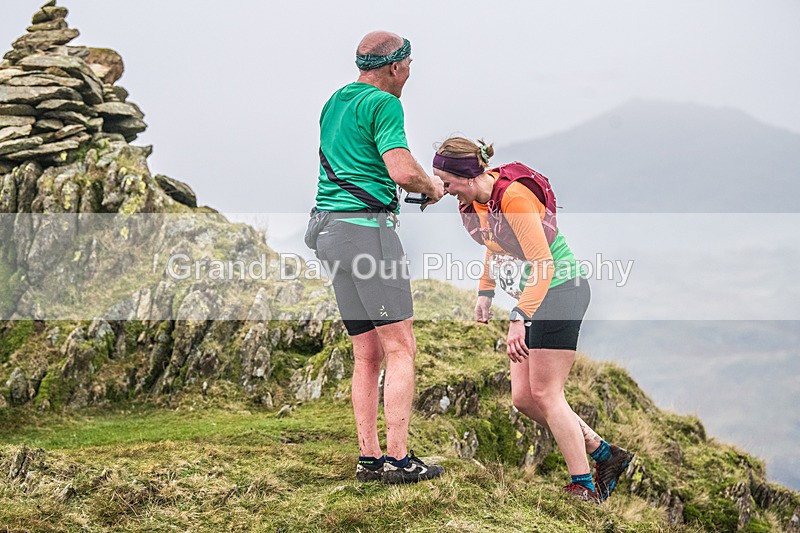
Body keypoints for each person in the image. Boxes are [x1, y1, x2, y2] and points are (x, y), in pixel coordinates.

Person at [432, 137, 634, 502]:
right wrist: (485, 291)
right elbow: (494, 245)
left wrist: (518, 317)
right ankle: (604, 453)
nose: (443, 190)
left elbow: (544, 264)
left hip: (561, 291)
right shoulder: (477, 201)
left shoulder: (514, 200)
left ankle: (584, 485)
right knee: (524, 398)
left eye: (446, 182)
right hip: (536, 298)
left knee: (546, 392)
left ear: (467, 174)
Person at [310, 31, 446, 484]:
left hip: (329, 233)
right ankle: (399, 459)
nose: (410, 74)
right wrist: (432, 188)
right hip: (368, 235)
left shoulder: (335, 102)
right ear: (395, 67)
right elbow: (402, 170)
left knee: (365, 351)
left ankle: (369, 458)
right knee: (400, 347)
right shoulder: (385, 104)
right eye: (409, 66)